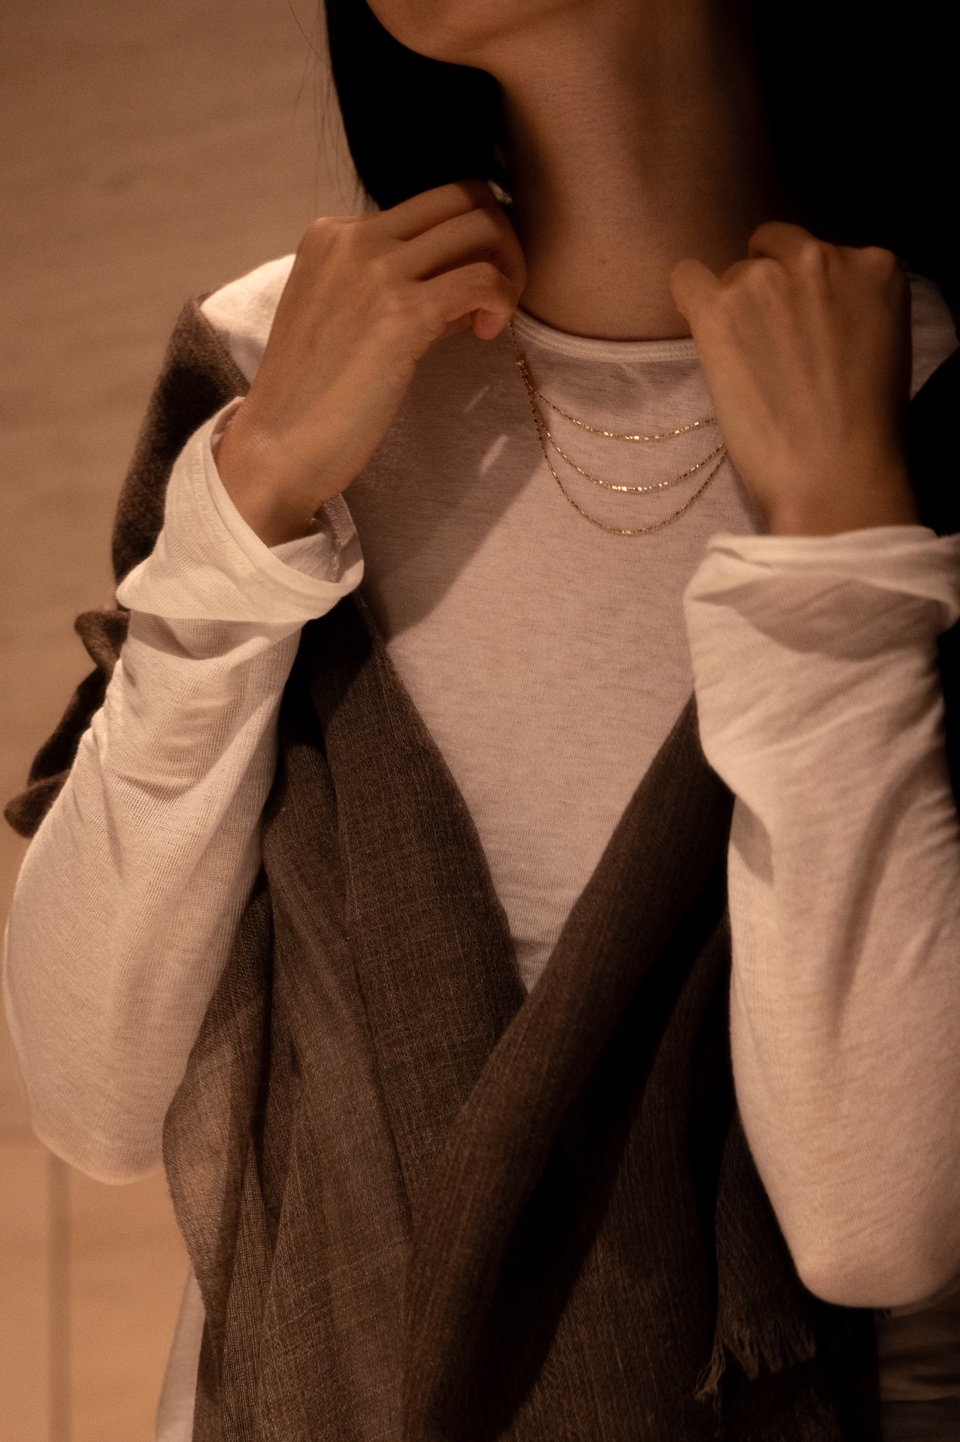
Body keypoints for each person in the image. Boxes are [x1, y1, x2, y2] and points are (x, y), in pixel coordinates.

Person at [4, 0, 960, 1438]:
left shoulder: (930, 398)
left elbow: (872, 1226)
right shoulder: (278, 364)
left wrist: (838, 559)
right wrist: (250, 501)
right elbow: (91, 1099)